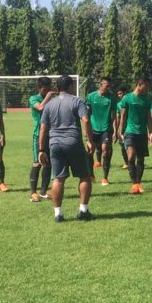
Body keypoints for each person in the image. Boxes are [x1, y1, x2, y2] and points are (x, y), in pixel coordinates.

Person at [39, 75, 95, 222]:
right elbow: (86, 120)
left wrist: (41, 150)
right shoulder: (77, 101)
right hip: (73, 142)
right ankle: (83, 211)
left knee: (58, 179)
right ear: (70, 87)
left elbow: (43, 128)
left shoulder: (49, 105)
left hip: (55, 145)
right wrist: (89, 140)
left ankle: (58, 214)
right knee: (84, 176)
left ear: (57, 88)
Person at [118, 77, 152, 194]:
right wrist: (121, 131)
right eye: (146, 86)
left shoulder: (147, 99)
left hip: (142, 132)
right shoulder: (127, 98)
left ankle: (138, 183)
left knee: (141, 159)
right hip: (130, 131)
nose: (147, 88)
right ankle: (134, 183)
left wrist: (151, 132)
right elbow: (123, 116)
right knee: (131, 156)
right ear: (139, 85)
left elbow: (148, 117)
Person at [86, 77, 117, 186]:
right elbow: (86, 115)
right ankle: (91, 175)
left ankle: (105, 177)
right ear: (101, 85)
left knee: (105, 151)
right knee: (90, 151)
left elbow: (114, 116)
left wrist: (115, 131)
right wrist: (86, 130)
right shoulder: (91, 96)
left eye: (110, 86)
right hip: (93, 129)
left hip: (106, 129)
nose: (108, 88)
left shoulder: (112, 98)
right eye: (107, 85)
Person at [29, 77, 55, 202]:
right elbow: (40, 108)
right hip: (38, 135)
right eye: (45, 89)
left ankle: (43, 191)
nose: (47, 91)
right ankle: (33, 193)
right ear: (39, 89)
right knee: (37, 163)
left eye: (49, 89)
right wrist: (48, 97)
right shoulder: (33, 98)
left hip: (50, 134)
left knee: (48, 163)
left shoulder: (52, 99)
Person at [114, 86, 130, 170]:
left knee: (130, 145)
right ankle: (127, 163)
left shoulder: (130, 102)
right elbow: (117, 118)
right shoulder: (118, 105)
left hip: (130, 127)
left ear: (125, 93)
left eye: (120, 93)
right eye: (118, 94)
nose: (119, 95)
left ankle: (132, 161)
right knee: (122, 146)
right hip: (122, 128)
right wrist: (116, 130)